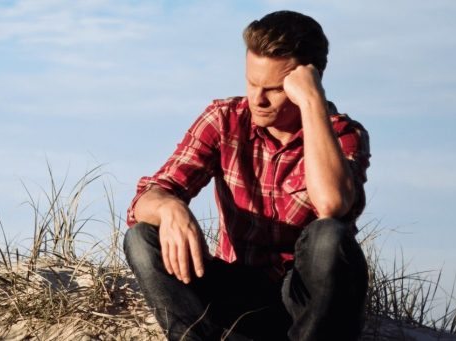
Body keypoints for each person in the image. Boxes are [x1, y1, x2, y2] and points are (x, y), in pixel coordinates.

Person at [123, 10, 371, 341]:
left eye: (274, 89)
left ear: (308, 81)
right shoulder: (224, 119)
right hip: (236, 292)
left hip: (307, 301)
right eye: (252, 83)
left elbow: (332, 205)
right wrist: (170, 208)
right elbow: (147, 196)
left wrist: (313, 103)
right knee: (142, 237)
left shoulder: (343, 135)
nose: (258, 98)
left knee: (329, 237)